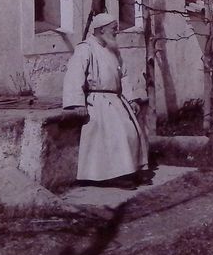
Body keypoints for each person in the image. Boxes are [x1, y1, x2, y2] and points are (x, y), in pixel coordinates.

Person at [62, 12, 150, 189]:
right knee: (117, 135)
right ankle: (116, 176)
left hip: (116, 100)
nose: (116, 32)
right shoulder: (85, 48)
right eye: (113, 29)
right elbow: (74, 75)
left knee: (131, 132)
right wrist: (77, 103)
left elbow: (123, 76)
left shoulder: (113, 49)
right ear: (101, 30)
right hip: (97, 101)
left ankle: (130, 170)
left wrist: (131, 98)